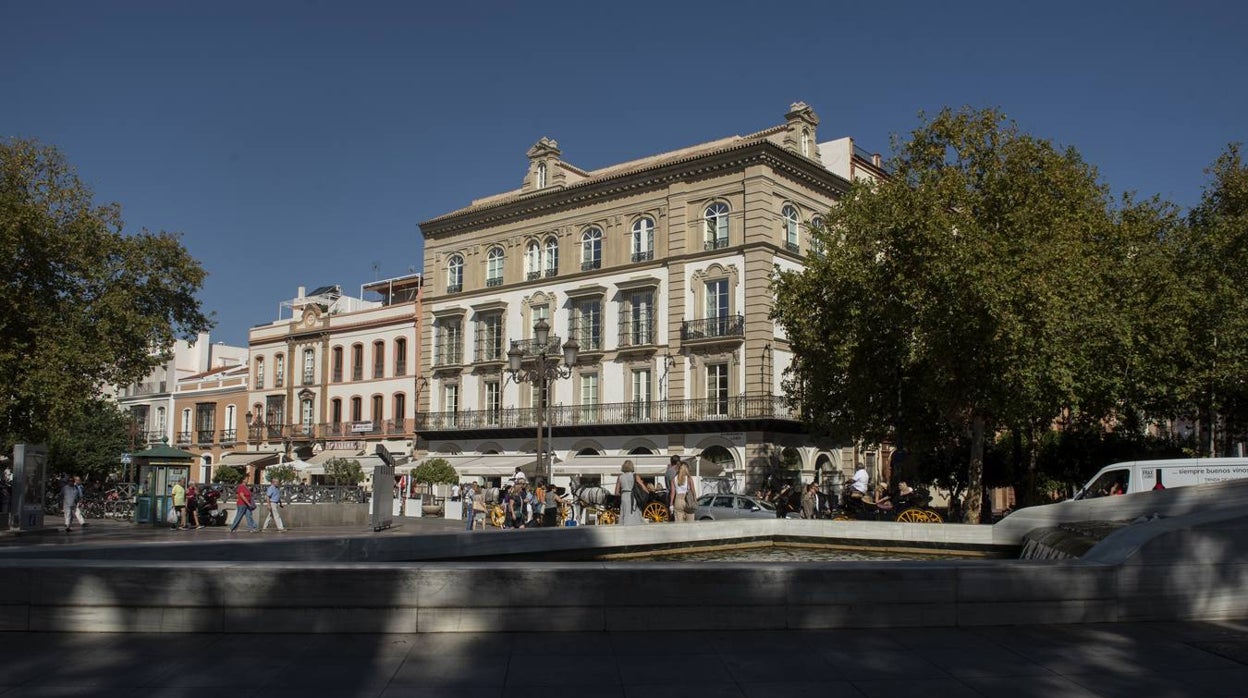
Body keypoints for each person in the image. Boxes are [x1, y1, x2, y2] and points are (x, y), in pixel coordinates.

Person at [614, 459, 650, 525]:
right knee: (634, 512)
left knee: (624, 512)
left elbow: (616, 492)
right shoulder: (635, 476)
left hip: (624, 496)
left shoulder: (620, 477)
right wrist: (647, 491)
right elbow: (642, 485)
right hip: (633, 496)